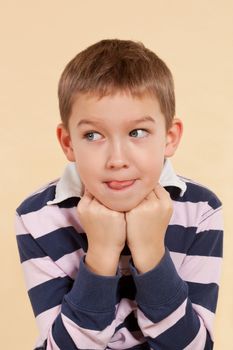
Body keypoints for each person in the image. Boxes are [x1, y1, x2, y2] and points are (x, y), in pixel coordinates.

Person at [15, 39, 223, 350]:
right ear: (68, 142)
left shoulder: (200, 210)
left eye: (137, 132)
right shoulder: (38, 217)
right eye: (93, 135)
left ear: (169, 137)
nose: (117, 159)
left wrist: (151, 251)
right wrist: (100, 253)